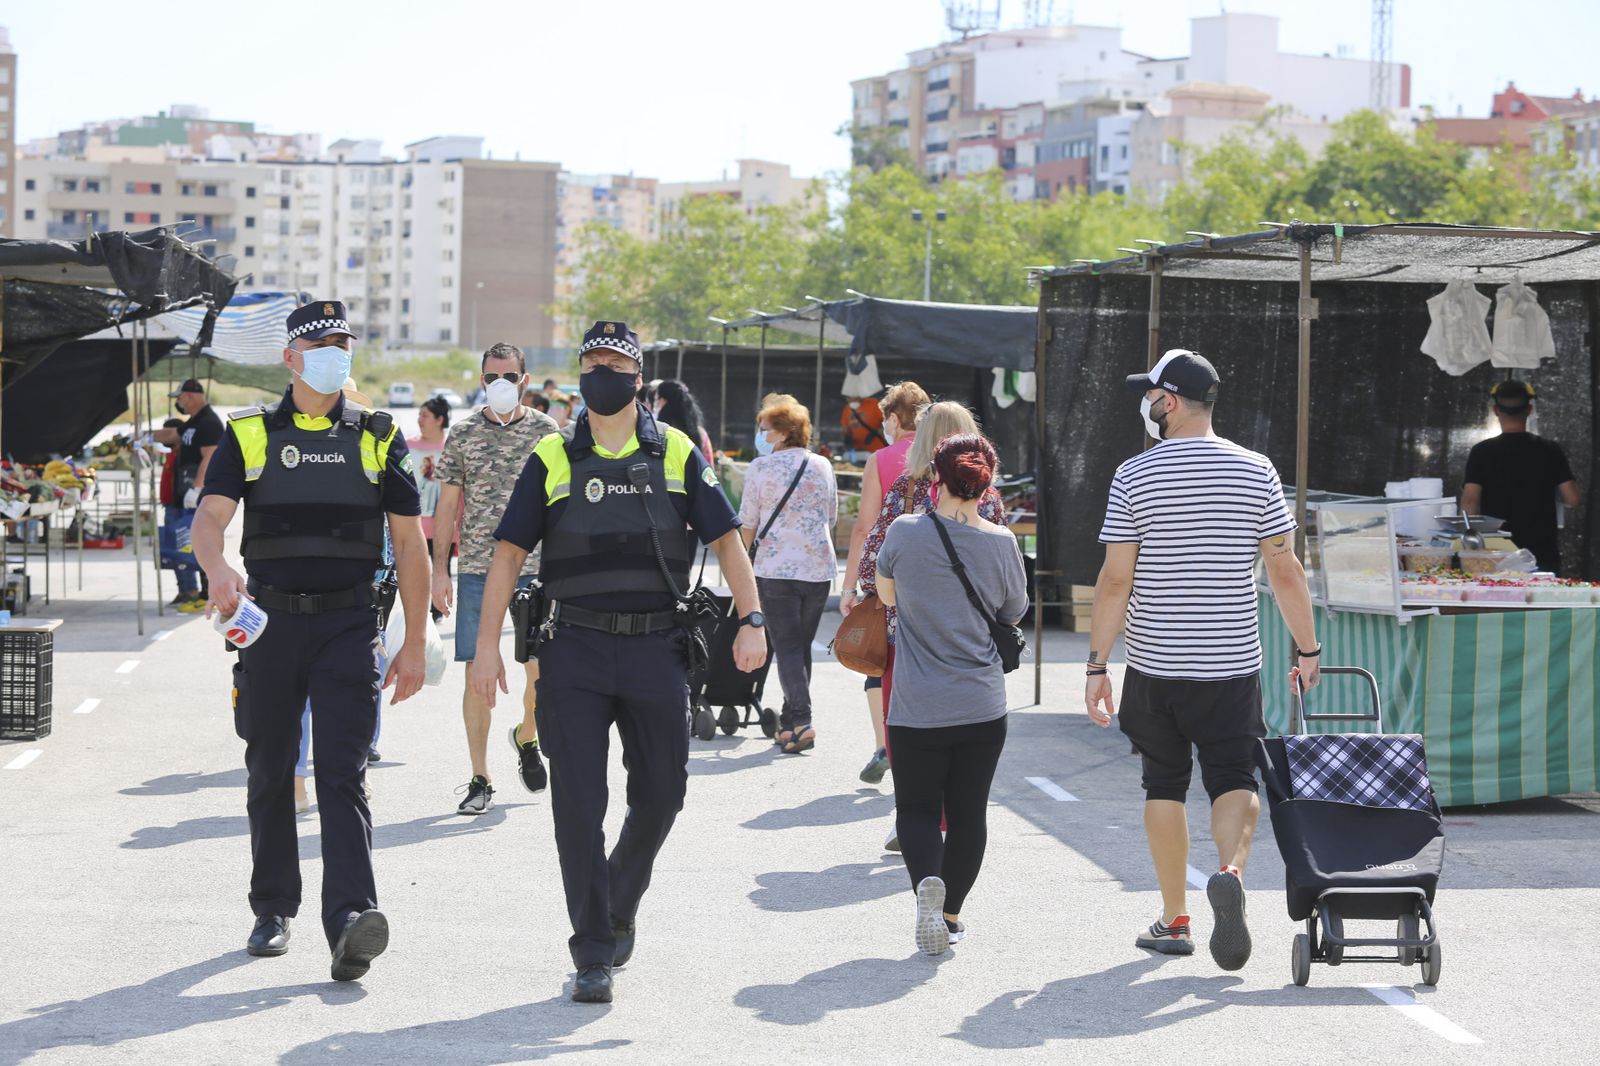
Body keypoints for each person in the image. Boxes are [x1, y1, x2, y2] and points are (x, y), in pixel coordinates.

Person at [470, 320, 767, 1004]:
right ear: (581, 371)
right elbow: (508, 555)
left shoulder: (677, 450)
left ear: (638, 376)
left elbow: (726, 541)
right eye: (592, 360)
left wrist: (752, 620)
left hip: (656, 648)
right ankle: (593, 950)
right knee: (578, 804)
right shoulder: (551, 454)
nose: (601, 371)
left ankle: (618, 900)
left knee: (664, 792)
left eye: (615, 361)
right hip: (571, 648)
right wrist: (487, 647)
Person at [191, 298, 428, 983]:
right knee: (269, 769)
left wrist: (414, 641)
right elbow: (209, 518)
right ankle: (273, 908)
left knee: (342, 774)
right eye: (322, 341)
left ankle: (352, 920)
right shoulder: (251, 434)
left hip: (351, 625)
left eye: (344, 340)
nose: (336, 350)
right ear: (290, 357)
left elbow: (411, 547)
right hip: (269, 627)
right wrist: (217, 567)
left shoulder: (380, 434)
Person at [1084, 348, 1321, 971]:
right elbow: (1283, 568)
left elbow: (1115, 581)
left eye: (1152, 395)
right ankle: (1231, 872)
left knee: (1162, 781)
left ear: (1171, 400)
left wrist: (1095, 665)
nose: (1148, 405)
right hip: (1231, 662)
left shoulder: (1134, 476)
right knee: (1235, 777)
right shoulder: (1256, 470)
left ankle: (1176, 917)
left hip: (1157, 663)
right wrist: (1307, 646)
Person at [877, 433, 1027, 955]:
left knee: (915, 809)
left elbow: (886, 593)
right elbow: (1013, 613)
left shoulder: (905, 530)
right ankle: (951, 912)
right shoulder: (1002, 542)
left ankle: (925, 886)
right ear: (986, 481)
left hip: (916, 704)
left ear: (935, 476)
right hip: (981, 704)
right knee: (968, 814)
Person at [853, 400, 1007, 851]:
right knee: (968, 734)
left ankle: (914, 816)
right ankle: (947, 821)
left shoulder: (904, 488)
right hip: (973, 639)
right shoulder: (990, 499)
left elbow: (869, 567)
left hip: (909, 634)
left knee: (906, 730)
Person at [434, 343, 561, 811]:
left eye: (509, 375)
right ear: (482, 379)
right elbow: (446, 507)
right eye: (492, 376)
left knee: (542, 669)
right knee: (477, 674)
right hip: (476, 570)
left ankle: (527, 736)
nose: (500, 383)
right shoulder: (464, 434)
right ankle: (480, 776)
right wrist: (438, 571)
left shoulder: (548, 433)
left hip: (535, 568)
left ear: (525, 380)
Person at [840, 380, 928, 784]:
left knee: (879, 657)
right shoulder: (941, 455)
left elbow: (864, 527)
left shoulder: (881, 459)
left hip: (888, 577)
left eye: (885, 419)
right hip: (934, 578)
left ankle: (885, 743)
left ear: (894, 418)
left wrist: (848, 587)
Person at [739, 396, 837, 754]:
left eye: (765, 429)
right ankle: (789, 721)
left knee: (788, 646)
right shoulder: (822, 465)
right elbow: (831, 516)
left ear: (781, 432)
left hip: (775, 568)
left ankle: (802, 718)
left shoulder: (760, 468)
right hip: (818, 568)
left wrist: (740, 567)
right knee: (800, 647)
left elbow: (748, 523)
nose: (761, 435)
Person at [1461, 379, 1582, 574]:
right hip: (1541, 555)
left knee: (1496, 603)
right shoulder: (1550, 450)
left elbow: (1469, 502)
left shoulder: (1481, 452)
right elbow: (1573, 499)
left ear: (1496, 411)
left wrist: (1471, 543)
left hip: (1496, 555)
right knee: (1540, 603)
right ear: (1530, 409)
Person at [152, 379, 224, 612]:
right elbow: (173, 434)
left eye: (180, 398)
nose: (178, 403)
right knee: (180, 545)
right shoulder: (194, 421)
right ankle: (187, 590)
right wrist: (145, 435)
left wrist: (197, 487)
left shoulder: (209, 423)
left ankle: (205, 592)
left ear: (190, 396)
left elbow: (211, 456)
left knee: (198, 544)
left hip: (194, 495)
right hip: (180, 496)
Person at [409, 396, 453, 622]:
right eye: (419, 415)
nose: (419, 420)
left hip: (441, 524)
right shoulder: (408, 446)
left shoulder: (451, 448)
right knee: (414, 571)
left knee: (440, 568)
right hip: (413, 523)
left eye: (425, 415)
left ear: (440, 420)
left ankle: (438, 610)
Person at [651, 378, 716, 463]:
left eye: (656, 399)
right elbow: (709, 469)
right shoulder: (700, 434)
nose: (654, 405)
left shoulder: (658, 433)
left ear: (663, 401)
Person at [840, 393, 888, 462]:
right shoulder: (847, 409)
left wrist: (876, 432)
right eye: (848, 397)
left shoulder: (874, 404)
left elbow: (888, 424)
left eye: (854, 397)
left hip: (877, 452)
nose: (852, 399)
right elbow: (845, 430)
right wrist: (847, 438)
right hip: (857, 454)